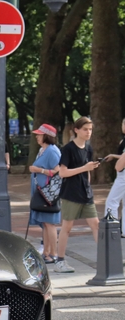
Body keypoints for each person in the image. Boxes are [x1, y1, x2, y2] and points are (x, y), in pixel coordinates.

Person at [56, 116, 101, 273]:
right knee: (67, 227)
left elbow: (87, 170)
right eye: (85, 129)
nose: (88, 132)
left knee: (96, 224)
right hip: (70, 193)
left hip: (85, 192)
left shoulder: (88, 148)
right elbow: (62, 172)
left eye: (90, 129)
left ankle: (104, 258)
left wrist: (88, 180)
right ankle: (60, 261)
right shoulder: (68, 149)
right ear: (76, 130)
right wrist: (84, 168)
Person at [27, 124, 61, 264]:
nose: (37, 136)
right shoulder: (43, 150)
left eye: (39, 134)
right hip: (42, 193)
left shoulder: (52, 151)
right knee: (46, 223)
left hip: (48, 194)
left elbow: (58, 171)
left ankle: (53, 253)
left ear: (46, 136)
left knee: (50, 223)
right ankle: (46, 252)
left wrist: (39, 170)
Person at [103, 118, 125, 236]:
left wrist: (118, 167)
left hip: (123, 173)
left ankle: (111, 229)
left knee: (112, 201)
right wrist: (114, 156)